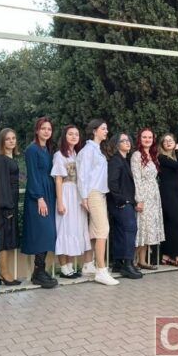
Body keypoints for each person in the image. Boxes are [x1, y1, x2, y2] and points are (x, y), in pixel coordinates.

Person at [77, 119, 119, 286]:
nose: (106, 131)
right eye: (103, 128)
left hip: (99, 193)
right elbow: (82, 175)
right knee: (103, 230)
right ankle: (101, 271)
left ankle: (88, 265)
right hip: (93, 193)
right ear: (94, 131)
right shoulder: (88, 150)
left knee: (95, 231)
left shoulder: (97, 149)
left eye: (106, 128)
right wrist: (84, 197)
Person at [22, 117, 58, 289]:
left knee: (48, 233)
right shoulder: (32, 150)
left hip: (49, 192)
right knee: (42, 231)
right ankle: (38, 272)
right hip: (37, 195)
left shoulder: (47, 149)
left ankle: (40, 271)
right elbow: (33, 175)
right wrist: (39, 198)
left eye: (49, 129)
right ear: (37, 130)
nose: (46, 131)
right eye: (43, 128)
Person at [51, 125, 89, 279]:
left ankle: (71, 266)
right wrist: (60, 202)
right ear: (64, 136)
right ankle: (63, 267)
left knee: (75, 229)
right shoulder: (59, 155)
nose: (74, 137)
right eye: (70, 134)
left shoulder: (77, 155)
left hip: (77, 195)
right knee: (64, 229)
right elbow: (58, 180)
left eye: (76, 134)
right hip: (66, 194)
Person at [106, 133, 142, 279]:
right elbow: (112, 182)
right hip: (121, 203)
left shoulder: (124, 160)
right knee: (129, 230)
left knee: (121, 231)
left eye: (128, 140)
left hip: (124, 202)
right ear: (116, 144)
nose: (127, 142)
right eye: (123, 141)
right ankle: (127, 264)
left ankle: (118, 263)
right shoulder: (116, 161)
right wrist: (122, 200)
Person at [132, 128, 165, 270]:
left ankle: (142, 260)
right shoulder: (137, 155)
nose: (147, 139)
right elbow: (136, 178)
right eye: (144, 137)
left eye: (150, 137)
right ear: (140, 139)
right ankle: (132, 261)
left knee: (148, 229)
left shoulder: (152, 154)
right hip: (143, 195)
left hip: (153, 196)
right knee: (141, 227)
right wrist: (139, 199)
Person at [158, 133, 178, 268]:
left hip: (174, 193)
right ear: (162, 145)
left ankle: (166, 255)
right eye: (165, 141)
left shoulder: (171, 158)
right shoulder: (162, 157)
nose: (168, 142)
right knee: (176, 223)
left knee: (169, 224)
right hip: (167, 194)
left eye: (170, 140)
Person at [0, 128, 21, 286]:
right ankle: (4, 273)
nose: (11, 141)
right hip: (6, 206)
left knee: (8, 239)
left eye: (13, 138)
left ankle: (5, 272)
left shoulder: (10, 158)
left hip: (12, 203)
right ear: (2, 142)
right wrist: (8, 207)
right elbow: (3, 185)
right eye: (7, 139)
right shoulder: (2, 159)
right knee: (4, 240)